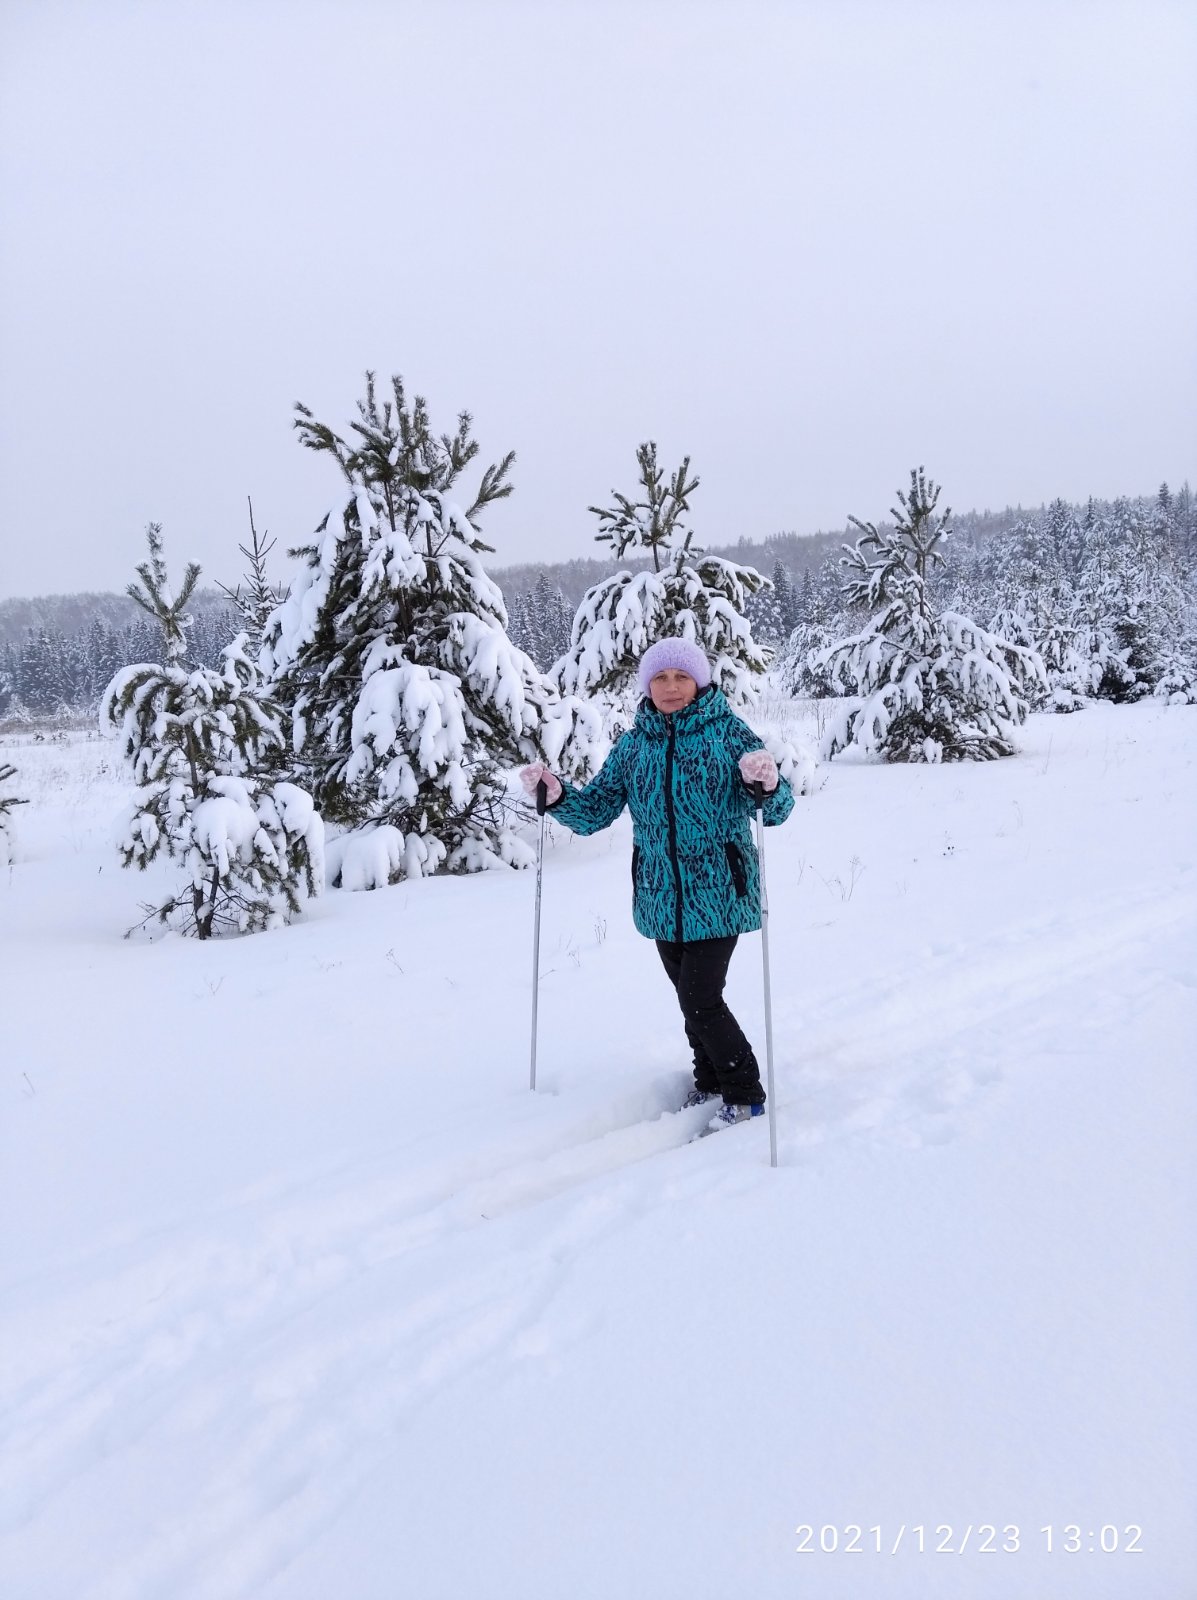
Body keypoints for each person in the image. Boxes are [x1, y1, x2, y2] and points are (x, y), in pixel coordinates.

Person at [520, 637, 794, 1132]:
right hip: (660, 894)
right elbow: (595, 811)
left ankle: (745, 1091)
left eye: (681, 677)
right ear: (647, 685)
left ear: (699, 682)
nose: (671, 687)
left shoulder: (729, 735)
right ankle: (709, 1077)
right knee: (688, 996)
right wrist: (558, 796)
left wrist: (768, 784)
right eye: (661, 678)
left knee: (700, 998)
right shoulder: (634, 745)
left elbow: (775, 811)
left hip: (718, 892)